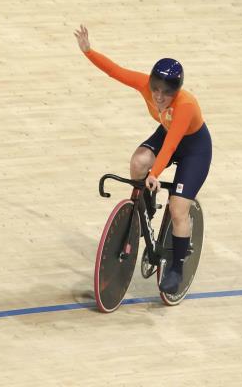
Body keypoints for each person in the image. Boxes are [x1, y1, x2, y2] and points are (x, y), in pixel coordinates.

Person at [74, 25, 212, 295]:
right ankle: (144, 211)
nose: (159, 97)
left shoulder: (185, 105)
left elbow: (171, 146)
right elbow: (116, 71)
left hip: (194, 148)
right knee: (138, 163)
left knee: (178, 208)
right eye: (155, 90)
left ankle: (176, 268)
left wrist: (156, 174)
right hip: (169, 134)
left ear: (177, 92)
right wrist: (88, 51)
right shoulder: (145, 86)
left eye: (166, 93)